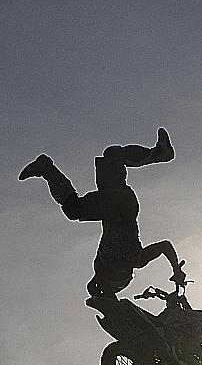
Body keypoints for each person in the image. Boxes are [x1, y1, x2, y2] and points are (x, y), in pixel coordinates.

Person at [19, 129, 184, 310]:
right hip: (120, 207)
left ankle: (158, 153)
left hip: (118, 204)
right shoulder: (134, 259)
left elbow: (94, 286)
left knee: (112, 155)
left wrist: (176, 270)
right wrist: (176, 270)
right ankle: (46, 168)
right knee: (75, 209)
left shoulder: (105, 265)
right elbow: (165, 246)